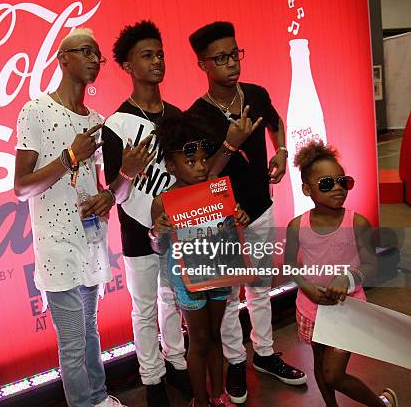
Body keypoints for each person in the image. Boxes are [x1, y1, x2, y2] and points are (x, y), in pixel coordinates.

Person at [186, 21, 306, 403]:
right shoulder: (196, 116)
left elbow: (276, 123)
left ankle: (265, 353)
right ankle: (236, 360)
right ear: (203, 65)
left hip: (260, 206)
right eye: (220, 58)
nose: (231, 64)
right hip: (218, 217)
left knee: (259, 286)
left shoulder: (255, 93)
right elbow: (202, 176)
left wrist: (282, 151)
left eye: (235, 54)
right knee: (227, 295)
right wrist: (229, 143)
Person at [14, 28, 125, 407]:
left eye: (98, 54)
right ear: (63, 60)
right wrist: (69, 158)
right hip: (56, 244)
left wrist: (105, 198)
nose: (95, 59)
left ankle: (99, 398)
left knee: (91, 331)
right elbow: (22, 187)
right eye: (86, 52)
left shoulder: (96, 118)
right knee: (74, 343)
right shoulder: (36, 110)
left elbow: (99, 185)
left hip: (90, 240)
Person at [102, 20, 191, 407]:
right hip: (137, 231)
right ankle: (152, 379)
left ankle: (178, 364)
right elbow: (115, 193)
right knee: (143, 308)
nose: (157, 61)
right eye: (147, 55)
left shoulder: (179, 117)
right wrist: (128, 170)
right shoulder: (116, 124)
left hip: (176, 229)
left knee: (173, 300)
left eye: (160, 54)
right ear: (127, 65)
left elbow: (192, 178)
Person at [149, 109, 258, 407]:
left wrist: (239, 218)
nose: (200, 167)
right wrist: (156, 232)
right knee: (197, 340)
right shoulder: (163, 201)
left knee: (215, 335)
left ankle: (218, 395)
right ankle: (200, 400)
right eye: (190, 161)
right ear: (171, 165)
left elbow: (229, 230)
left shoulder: (217, 190)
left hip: (220, 271)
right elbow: (158, 249)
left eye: (202, 159)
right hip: (188, 281)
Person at [285, 140, 398, 407]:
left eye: (342, 181)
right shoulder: (295, 226)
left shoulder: (357, 223)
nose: (337, 188)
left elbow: (372, 266)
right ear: (307, 189)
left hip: (347, 310)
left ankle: (381, 404)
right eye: (326, 183)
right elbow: (290, 265)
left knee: (333, 374)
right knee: (320, 363)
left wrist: (347, 279)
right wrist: (307, 287)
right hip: (311, 310)